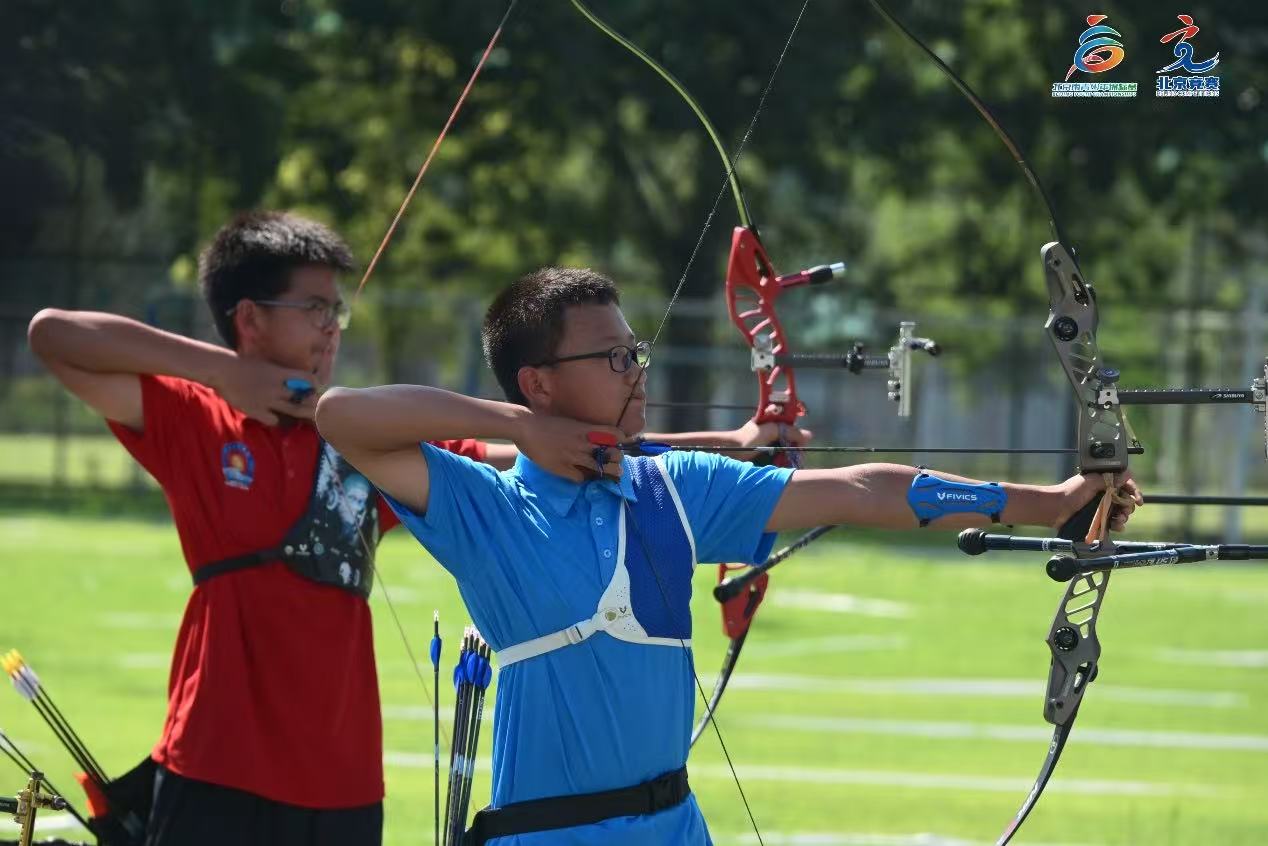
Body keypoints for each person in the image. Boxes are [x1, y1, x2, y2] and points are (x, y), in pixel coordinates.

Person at [26, 215, 798, 846]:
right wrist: (220, 372)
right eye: (315, 310)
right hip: (220, 754)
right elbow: (54, 335)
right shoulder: (202, 420)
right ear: (250, 320)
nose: (333, 329)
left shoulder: (375, 447)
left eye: (338, 311)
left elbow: (556, 448)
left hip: (344, 772)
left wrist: (733, 444)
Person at [314, 266, 1142, 845]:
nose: (638, 372)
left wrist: (1048, 503)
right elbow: (341, 415)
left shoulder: (673, 488)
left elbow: (860, 491)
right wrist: (518, 431)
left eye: (635, 351)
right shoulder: (481, 505)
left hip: (675, 829)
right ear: (537, 383)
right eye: (614, 358)